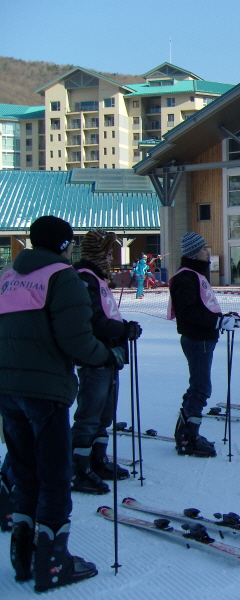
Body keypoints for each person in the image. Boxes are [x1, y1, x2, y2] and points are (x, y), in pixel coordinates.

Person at [0, 215, 124, 591]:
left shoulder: (8, 276)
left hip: (8, 387)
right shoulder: (62, 277)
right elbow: (75, 338)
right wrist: (106, 355)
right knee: (55, 474)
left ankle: (23, 553)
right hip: (46, 389)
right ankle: (53, 561)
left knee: (24, 469)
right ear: (63, 245)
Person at [71, 229, 143, 494]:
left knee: (105, 414)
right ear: (97, 252)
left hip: (111, 354)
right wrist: (122, 330)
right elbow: (93, 320)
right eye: (108, 251)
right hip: (95, 355)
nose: (111, 256)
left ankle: (97, 459)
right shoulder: (84, 278)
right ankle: (78, 467)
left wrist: (125, 327)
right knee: (90, 414)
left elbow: (108, 315)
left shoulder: (97, 278)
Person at [168, 232, 240, 457]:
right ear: (193, 252)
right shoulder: (185, 277)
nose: (208, 253)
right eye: (204, 249)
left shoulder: (195, 275)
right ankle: (189, 436)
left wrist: (223, 317)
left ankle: (185, 431)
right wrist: (218, 321)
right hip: (197, 339)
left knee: (197, 386)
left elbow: (203, 307)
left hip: (204, 337)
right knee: (201, 387)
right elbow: (188, 312)